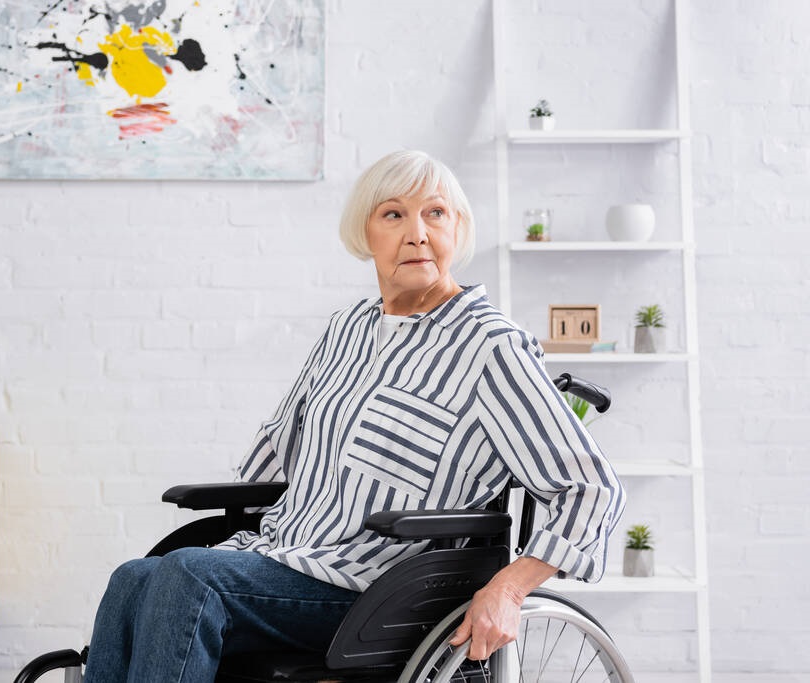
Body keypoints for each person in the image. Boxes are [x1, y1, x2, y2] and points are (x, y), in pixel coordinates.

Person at [83, 150, 625, 682]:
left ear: (457, 228)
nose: (417, 232)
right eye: (394, 214)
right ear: (365, 234)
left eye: (435, 213)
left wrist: (507, 589)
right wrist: (236, 513)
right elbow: (282, 444)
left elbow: (592, 489)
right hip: (287, 555)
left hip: (376, 588)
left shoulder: (490, 346)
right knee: (134, 578)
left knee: (189, 575)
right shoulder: (347, 329)